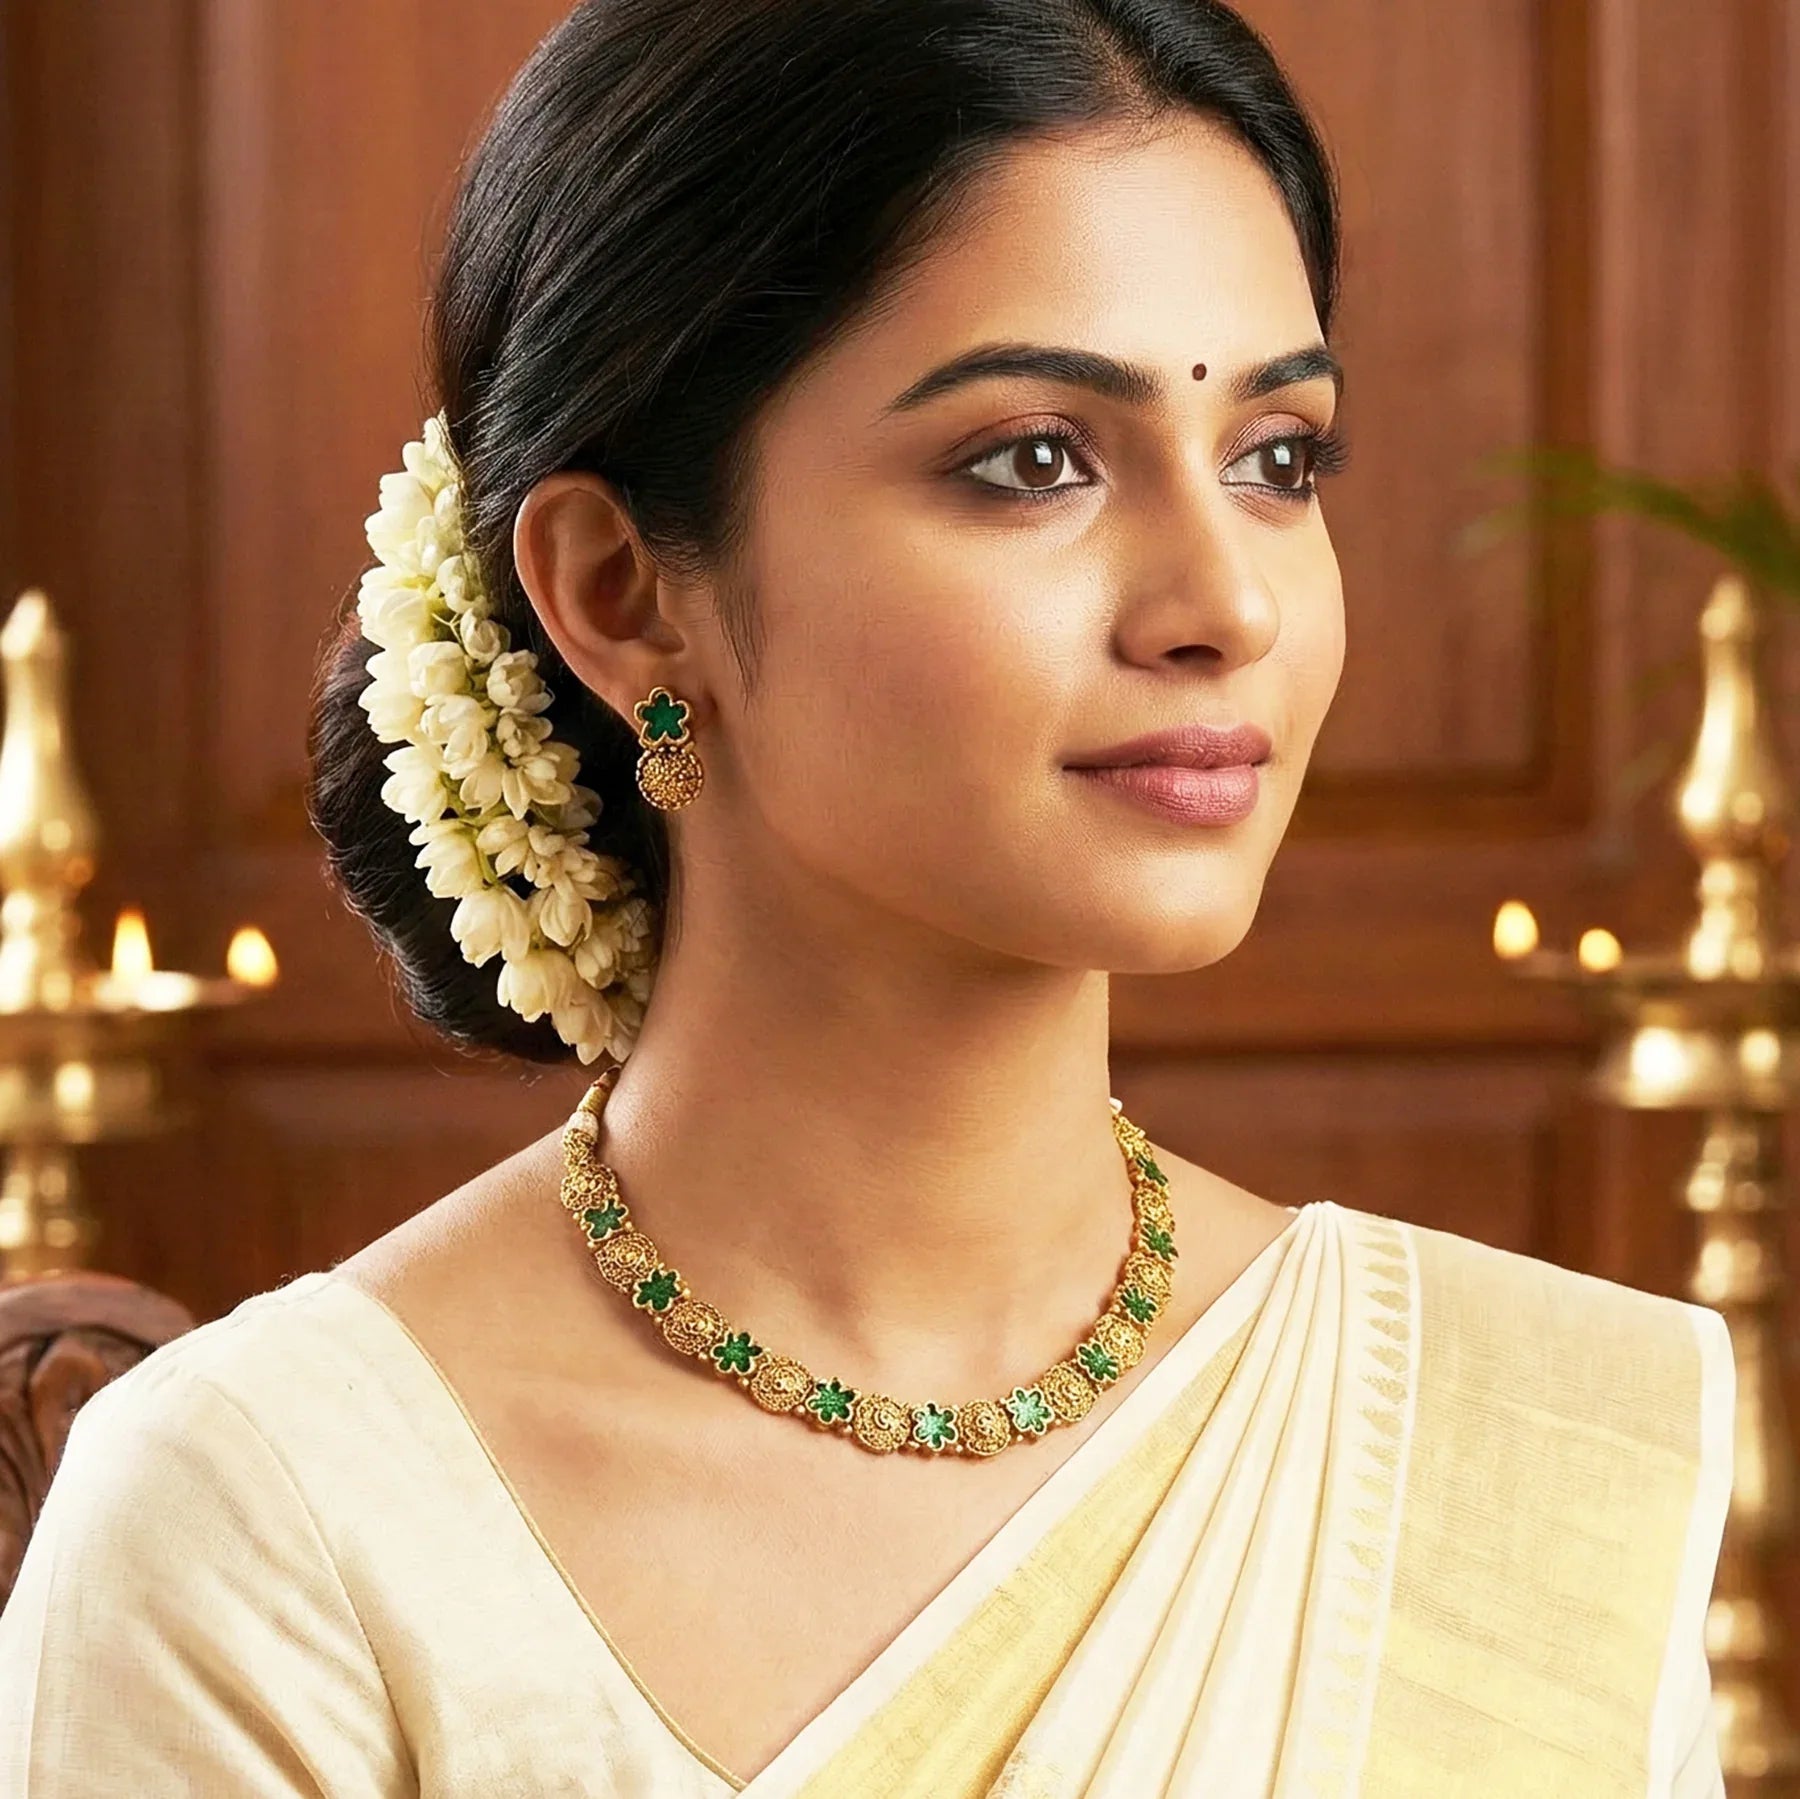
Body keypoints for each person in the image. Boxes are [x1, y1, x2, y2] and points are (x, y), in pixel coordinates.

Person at [0, 0, 1732, 1792]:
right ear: (620, 592)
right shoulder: (284, 1530)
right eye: (1032, 460)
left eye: (1278, 460)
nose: (1228, 602)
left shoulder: (1521, 1445)